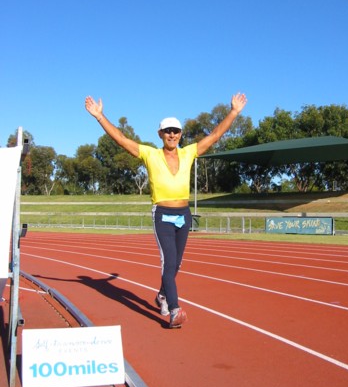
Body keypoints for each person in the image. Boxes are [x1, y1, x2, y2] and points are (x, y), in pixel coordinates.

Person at [85, 93, 247, 328]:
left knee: (176, 264)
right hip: (162, 214)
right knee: (168, 262)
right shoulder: (150, 154)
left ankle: (161, 295)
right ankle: (174, 309)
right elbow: (121, 139)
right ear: (160, 134)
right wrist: (100, 117)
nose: (172, 134)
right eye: (168, 131)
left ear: (180, 134)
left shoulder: (188, 152)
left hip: (184, 214)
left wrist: (233, 112)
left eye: (176, 131)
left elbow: (214, 136)